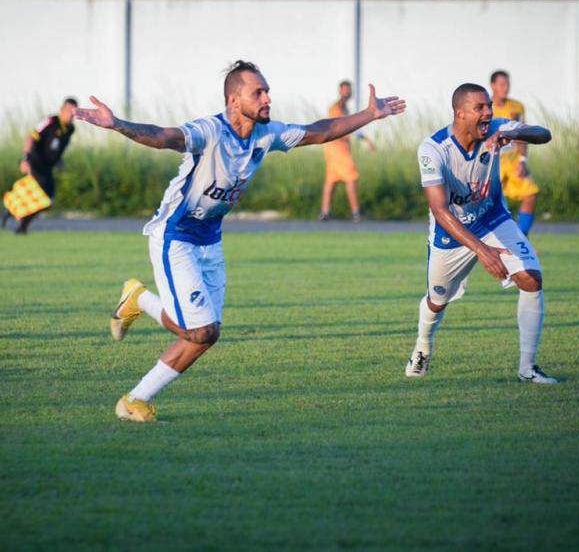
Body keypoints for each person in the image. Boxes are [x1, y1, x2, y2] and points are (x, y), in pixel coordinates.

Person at [74, 60, 405, 422]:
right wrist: (117, 124)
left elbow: (318, 131)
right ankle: (133, 399)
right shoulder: (209, 131)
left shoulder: (266, 133)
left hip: (210, 241)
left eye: (267, 91)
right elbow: (165, 136)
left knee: (206, 334)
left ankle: (138, 301)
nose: (267, 98)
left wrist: (369, 114)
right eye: (258, 93)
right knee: (200, 331)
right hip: (176, 236)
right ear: (234, 100)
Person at [406, 82, 556, 383]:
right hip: (451, 233)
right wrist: (482, 250)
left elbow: (544, 135)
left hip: (493, 219)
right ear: (460, 114)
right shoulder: (433, 149)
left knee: (531, 277)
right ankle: (422, 347)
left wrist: (513, 133)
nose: (489, 112)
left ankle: (528, 369)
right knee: (438, 300)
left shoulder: (496, 128)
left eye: (489, 106)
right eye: (480, 108)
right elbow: (440, 211)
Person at [1, 98, 77, 234]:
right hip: (35, 163)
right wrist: (25, 159)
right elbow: (31, 137)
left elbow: (58, 148)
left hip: (47, 168)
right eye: (68, 111)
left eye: (74, 112)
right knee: (45, 199)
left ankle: (14, 215)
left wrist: (59, 161)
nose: (71, 114)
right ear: (62, 110)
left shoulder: (70, 129)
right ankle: (18, 220)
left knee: (48, 203)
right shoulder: (50, 122)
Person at [490, 70, 539, 235]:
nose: (505, 88)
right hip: (492, 162)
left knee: (530, 194)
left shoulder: (516, 107)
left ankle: (522, 238)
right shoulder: (484, 107)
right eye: (502, 84)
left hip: (513, 161)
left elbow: (523, 134)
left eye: (507, 84)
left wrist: (523, 160)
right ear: (493, 85)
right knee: (489, 205)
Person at [320, 80, 376, 221]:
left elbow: (351, 127)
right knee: (351, 177)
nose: (347, 93)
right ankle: (356, 212)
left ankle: (325, 212)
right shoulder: (336, 108)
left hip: (338, 148)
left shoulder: (345, 109)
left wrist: (365, 139)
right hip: (337, 147)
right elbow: (340, 127)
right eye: (345, 90)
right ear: (340, 91)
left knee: (331, 179)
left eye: (349, 90)